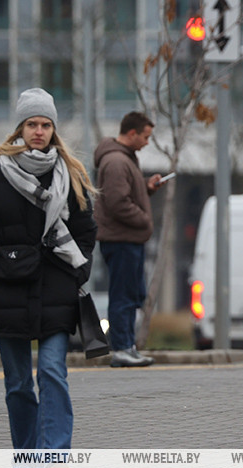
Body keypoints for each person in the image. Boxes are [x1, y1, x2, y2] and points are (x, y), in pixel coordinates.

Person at [0, 88, 97, 468]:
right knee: (18, 383)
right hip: (8, 292)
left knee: (53, 371)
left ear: (53, 130)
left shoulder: (70, 178)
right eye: (32, 124)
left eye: (46, 125)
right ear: (20, 128)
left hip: (56, 290)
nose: (39, 131)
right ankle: (25, 462)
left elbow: (87, 230)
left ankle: (55, 459)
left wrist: (77, 271)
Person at [93, 111, 165, 368]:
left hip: (127, 239)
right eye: (145, 137)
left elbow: (123, 194)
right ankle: (122, 348)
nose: (147, 142)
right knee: (123, 295)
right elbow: (117, 203)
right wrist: (145, 220)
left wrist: (145, 187)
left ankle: (128, 346)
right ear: (132, 133)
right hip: (121, 239)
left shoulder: (124, 159)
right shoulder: (116, 162)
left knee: (132, 294)